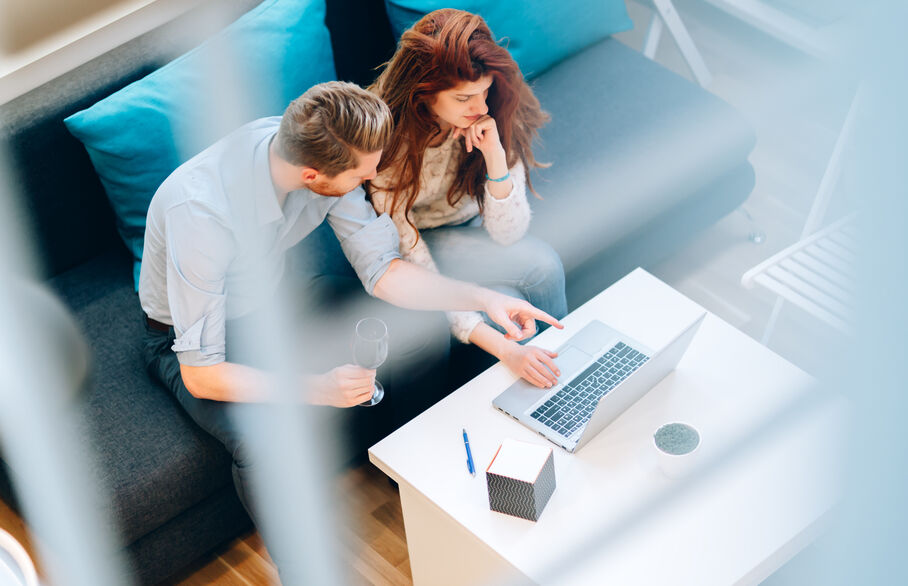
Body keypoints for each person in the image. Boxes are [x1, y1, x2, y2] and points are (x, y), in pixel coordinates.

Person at [138, 81, 561, 582]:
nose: (375, 175)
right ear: (314, 176)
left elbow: (383, 270)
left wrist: (484, 298)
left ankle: (406, 473)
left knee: (419, 329)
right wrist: (318, 388)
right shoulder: (202, 215)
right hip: (189, 338)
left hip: (273, 299)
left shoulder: (308, 145)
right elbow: (201, 375)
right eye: (364, 173)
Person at [368, 8, 569, 390]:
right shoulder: (384, 139)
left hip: (473, 223)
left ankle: (558, 380)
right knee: (502, 320)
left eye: (484, 92)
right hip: (416, 240)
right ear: (423, 94)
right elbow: (409, 254)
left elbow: (508, 234)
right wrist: (482, 332)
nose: (480, 108)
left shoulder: (495, 109)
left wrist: (495, 157)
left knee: (543, 265)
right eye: (463, 98)